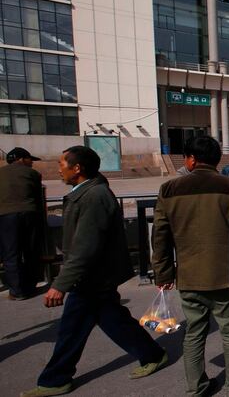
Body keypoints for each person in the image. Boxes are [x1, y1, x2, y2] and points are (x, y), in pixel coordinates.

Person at [22, 146, 168, 397]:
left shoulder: (94, 196)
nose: (59, 169)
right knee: (112, 321)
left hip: (92, 276)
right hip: (94, 276)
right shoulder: (87, 193)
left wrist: (61, 284)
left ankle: (56, 378)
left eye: (62, 163)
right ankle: (153, 354)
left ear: (77, 168)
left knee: (72, 329)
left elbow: (86, 246)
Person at [152, 136, 229, 396]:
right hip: (226, 273)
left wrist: (163, 273)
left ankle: (196, 387)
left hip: (189, 275)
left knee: (194, 332)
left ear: (191, 159)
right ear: (217, 160)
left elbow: (160, 236)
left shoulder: (169, 190)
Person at [0, 147, 44, 300]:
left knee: (11, 254)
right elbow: (39, 200)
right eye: (29, 159)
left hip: (5, 217)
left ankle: (16, 291)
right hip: (29, 214)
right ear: (20, 159)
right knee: (31, 251)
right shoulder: (33, 174)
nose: (31, 162)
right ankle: (30, 287)